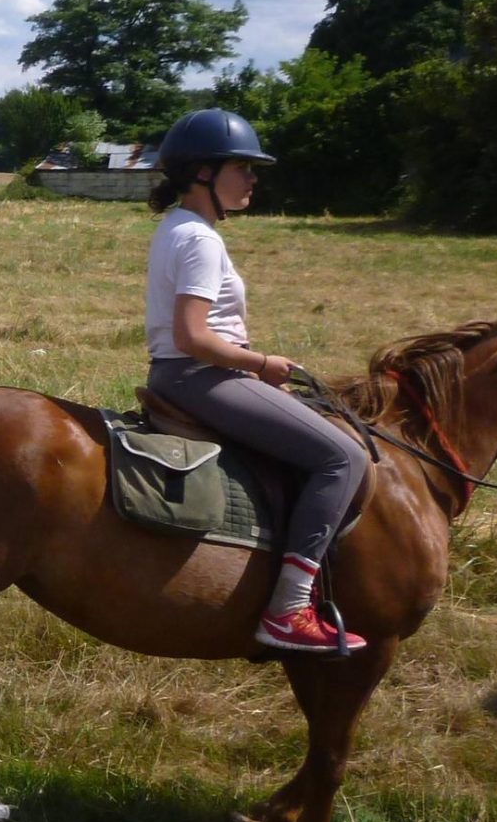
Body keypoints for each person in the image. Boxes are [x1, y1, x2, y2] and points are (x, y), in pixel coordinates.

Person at [144, 109, 370, 653]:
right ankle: (288, 610)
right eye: (242, 166)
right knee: (345, 458)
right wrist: (261, 364)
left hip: (186, 373)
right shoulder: (200, 239)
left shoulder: (177, 227)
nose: (253, 178)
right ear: (203, 172)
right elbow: (193, 335)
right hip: (200, 374)